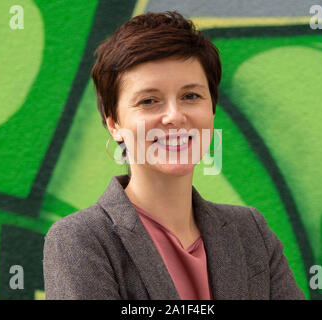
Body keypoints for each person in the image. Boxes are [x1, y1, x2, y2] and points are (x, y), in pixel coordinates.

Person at [43, 11, 305, 300]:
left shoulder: (251, 231)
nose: (174, 116)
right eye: (149, 101)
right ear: (113, 123)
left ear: (212, 108)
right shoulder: (81, 240)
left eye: (191, 96)